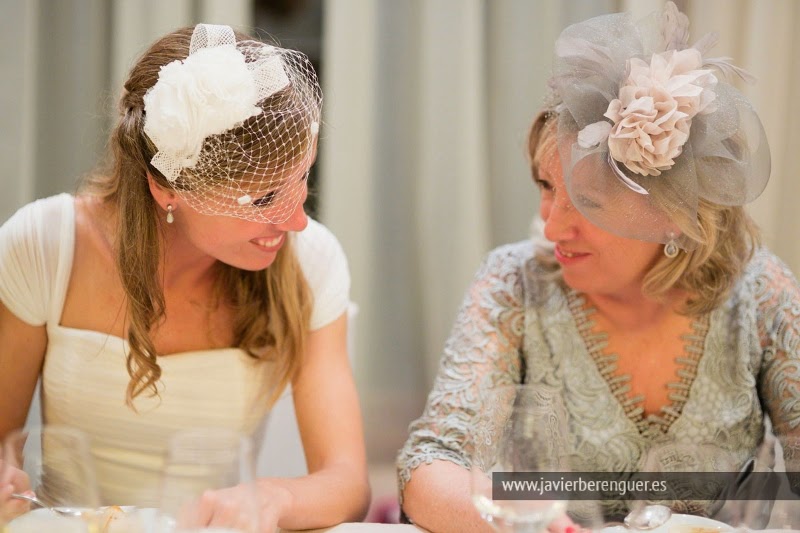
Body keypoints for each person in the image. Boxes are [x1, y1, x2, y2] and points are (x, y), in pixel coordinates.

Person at [397, 2, 800, 532]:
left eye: (588, 203)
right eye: (546, 187)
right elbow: (429, 465)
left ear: (676, 213)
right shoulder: (513, 283)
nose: (552, 227)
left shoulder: (760, 291)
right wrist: (524, 525)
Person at [0, 23, 369, 531]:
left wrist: (274, 497)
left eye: (302, 176)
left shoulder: (312, 261)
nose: (297, 221)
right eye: (263, 198)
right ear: (166, 188)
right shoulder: (43, 245)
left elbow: (347, 483)